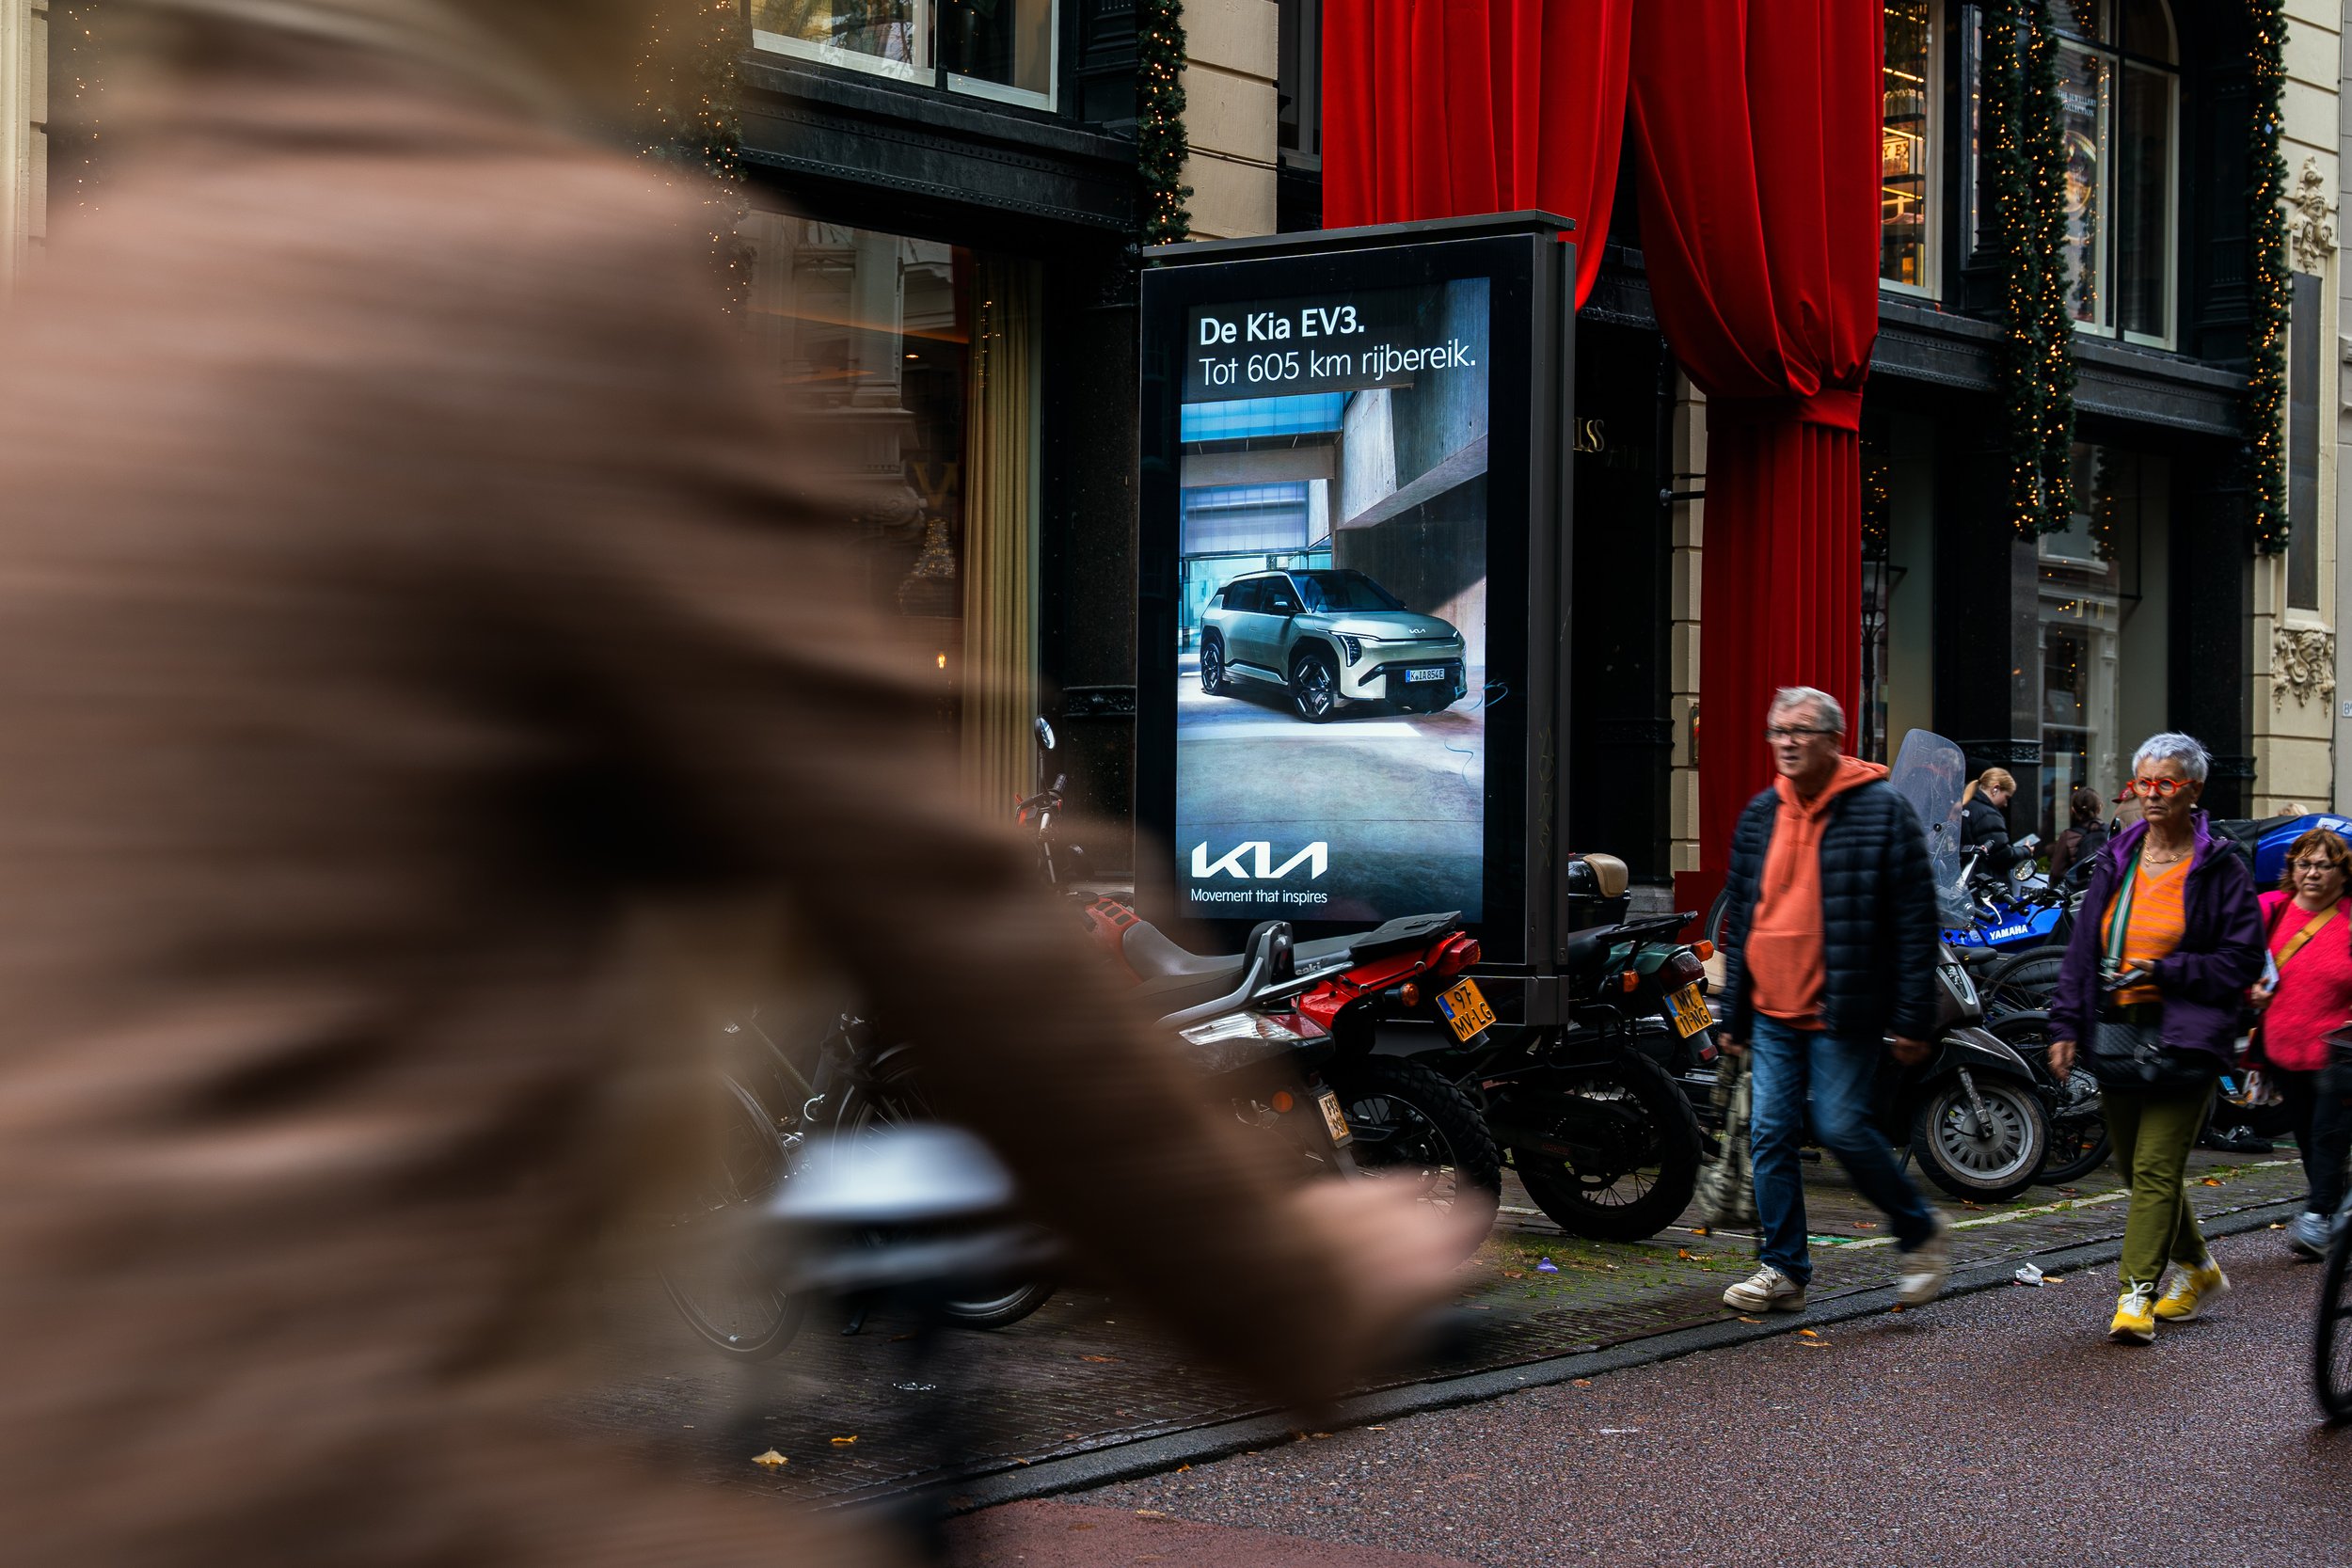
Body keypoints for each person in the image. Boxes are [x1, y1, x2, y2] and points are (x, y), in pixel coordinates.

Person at [0, 5, 1478, 1564]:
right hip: (323, 1469)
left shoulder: (79, 303)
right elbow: (931, 890)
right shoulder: (533, 270)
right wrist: (1284, 1287)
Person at [1715, 686, 1952, 1315]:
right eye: (1778, 731)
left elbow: (1914, 919)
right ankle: (1783, 1267)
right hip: (1771, 1006)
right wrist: (1734, 1013)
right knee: (1769, 1132)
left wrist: (1912, 1016)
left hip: (1841, 1005)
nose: (1787, 742)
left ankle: (1919, 1230)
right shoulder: (1762, 812)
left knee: (1843, 1125)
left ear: (1833, 740)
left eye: (1801, 730)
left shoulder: (1882, 810)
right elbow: (1744, 915)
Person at [2048, 734, 2265, 1343]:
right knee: (2133, 1167)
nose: (2150, 794)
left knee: (2154, 1165)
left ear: (2193, 790)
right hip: (2117, 1029)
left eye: (2164, 783)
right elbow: (2081, 950)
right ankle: (2197, 1267)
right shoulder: (2118, 855)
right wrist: (2065, 1024)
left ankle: (2135, 1293)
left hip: (2188, 1036)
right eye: (2142, 782)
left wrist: (2164, 969)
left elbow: (2242, 959)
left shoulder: (2221, 864)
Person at [2248, 826, 2352, 1259]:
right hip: (2285, 1051)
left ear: (2343, 873)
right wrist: (2250, 992)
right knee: (2309, 1137)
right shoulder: (2271, 910)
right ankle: (2335, 1213)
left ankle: (2317, 1214)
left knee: (2329, 1134)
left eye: (2323, 865)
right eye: (2303, 864)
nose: (2312, 873)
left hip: (2339, 1055)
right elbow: (2244, 969)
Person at [1960, 767, 2021, 878]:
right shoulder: (1987, 814)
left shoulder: (1962, 805)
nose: (2006, 804)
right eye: (2006, 797)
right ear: (1995, 789)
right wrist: (2025, 851)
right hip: (1982, 879)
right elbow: (2002, 856)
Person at [2049, 785, 2111, 886]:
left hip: (2079, 894)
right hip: (2105, 891)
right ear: (2099, 807)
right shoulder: (2110, 831)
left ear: (2073, 809)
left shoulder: (2067, 836)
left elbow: (2056, 871)